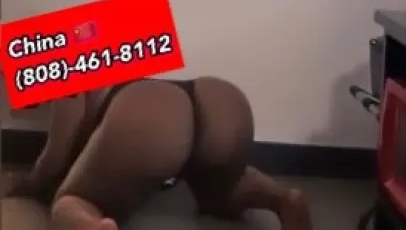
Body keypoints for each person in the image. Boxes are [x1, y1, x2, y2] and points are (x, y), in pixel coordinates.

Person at [6, 77, 313, 230]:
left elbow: (56, 154)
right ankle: (282, 199)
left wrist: (33, 184)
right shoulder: (103, 53)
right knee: (223, 193)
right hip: (219, 100)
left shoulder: (61, 72)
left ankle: (96, 226)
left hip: (151, 114)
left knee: (70, 202)